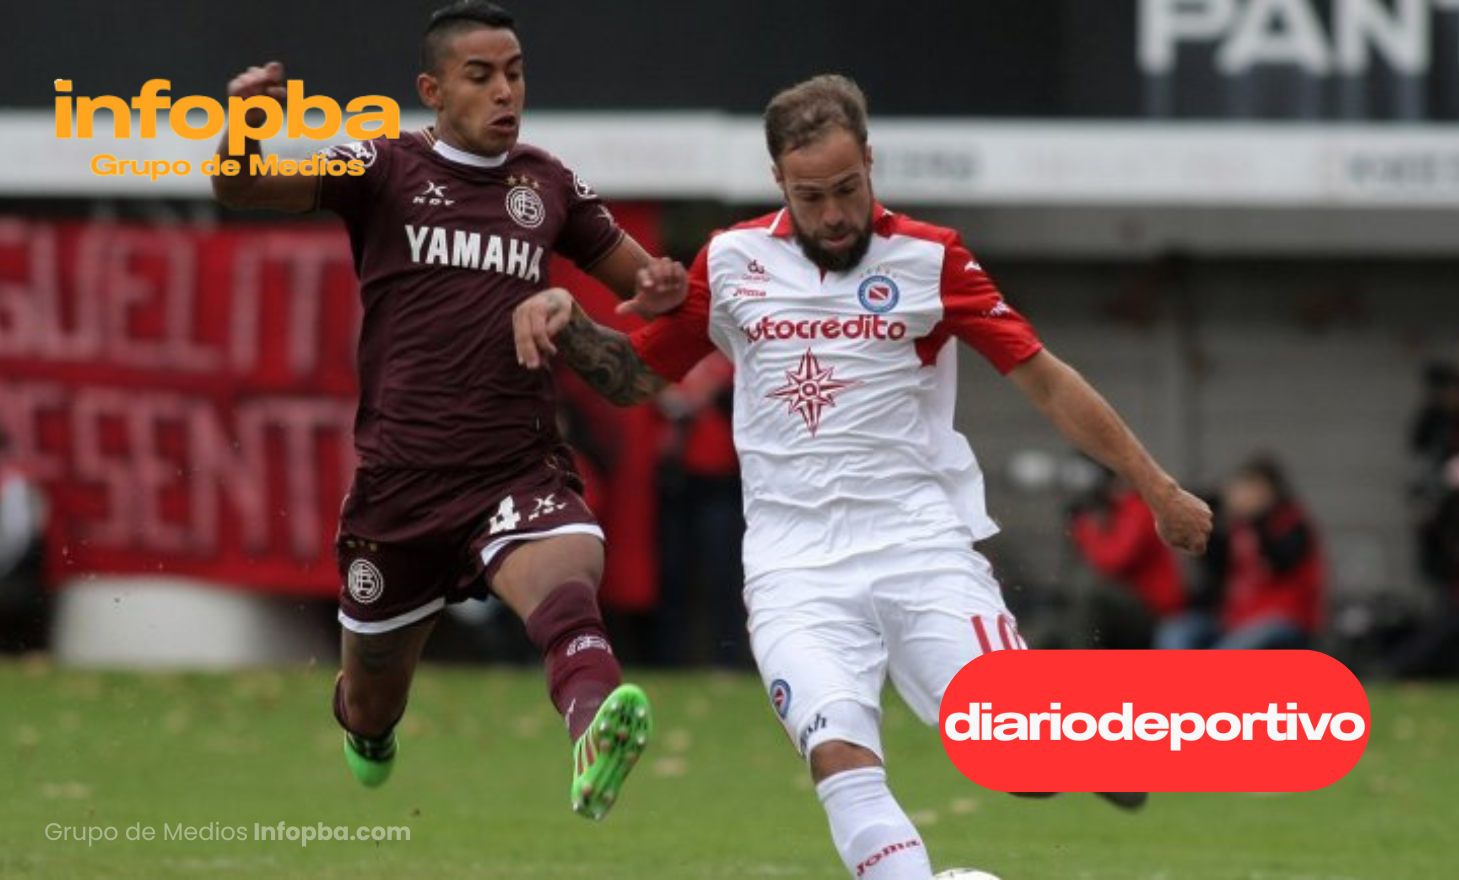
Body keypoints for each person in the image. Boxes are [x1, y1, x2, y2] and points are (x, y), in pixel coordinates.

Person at [512, 75, 1212, 878]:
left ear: (870, 163)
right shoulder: (731, 261)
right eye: (811, 197)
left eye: (847, 188)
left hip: (918, 547)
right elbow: (636, 379)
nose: (834, 214)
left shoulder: (931, 259)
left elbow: (1046, 380)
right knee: (838, 754)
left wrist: (1156, 488)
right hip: (792, 566)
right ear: (778, 181)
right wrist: (566, 319)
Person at [211, 0, 687, 821]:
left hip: (514, 466)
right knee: (372, 699)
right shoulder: (383, 166)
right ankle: (366, 729)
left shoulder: (548, 183)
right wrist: (245, 122)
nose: (506, 91)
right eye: (481, 75)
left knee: (569, 569)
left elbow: (650, 298)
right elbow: (242, 186)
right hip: (401, 484)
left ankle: (593, 728)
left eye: (515, 73)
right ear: (432, 90)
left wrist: (665, 288)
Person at [1163, 456, 1324, 650]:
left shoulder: (1291, 522)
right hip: (1234, 618)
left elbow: (1279, 561)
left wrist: (1257, 518)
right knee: (1177, 631)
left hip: (1283, 618)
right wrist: (1209, 514)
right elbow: (1215, 569)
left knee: (1228, 650)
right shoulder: (1236, 526)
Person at [1066, 463, 1187, 649]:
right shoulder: (1119, 511)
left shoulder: (1139, 508)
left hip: (1155, 611)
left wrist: (1084, 529)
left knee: (1093, 597)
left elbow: (1114, 560)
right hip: (1135, 607)